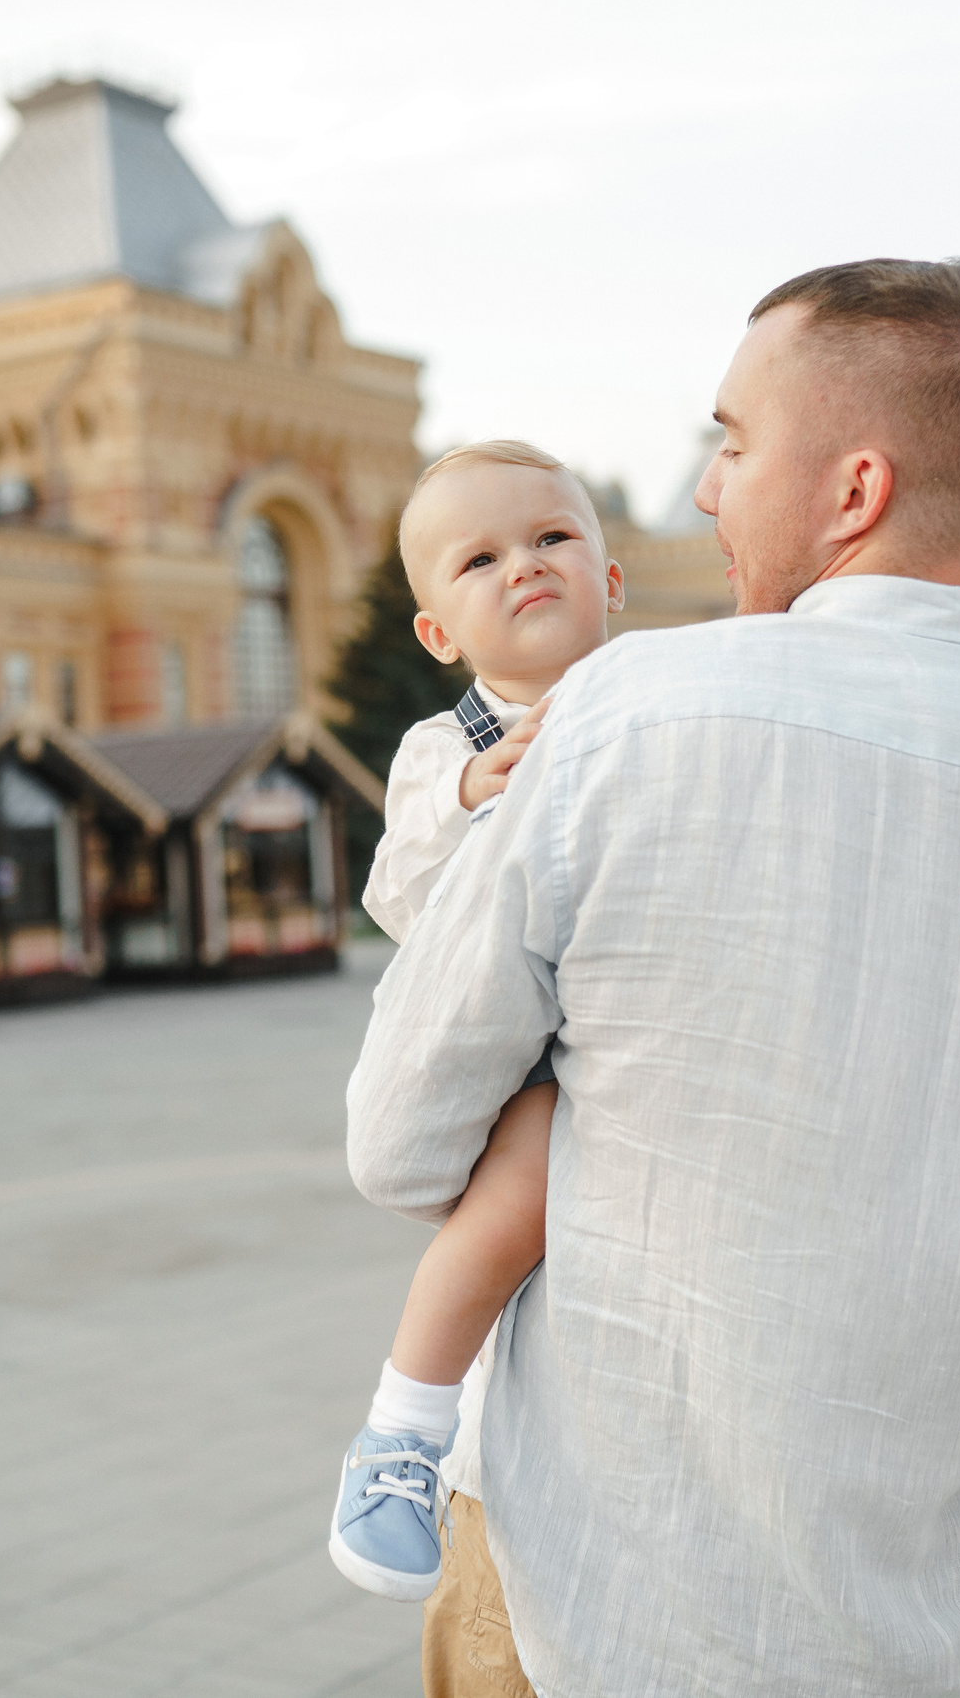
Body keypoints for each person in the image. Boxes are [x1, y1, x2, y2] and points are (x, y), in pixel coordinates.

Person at [347, 258, 960, 1697]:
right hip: (951, 1623)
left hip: (598, 1608)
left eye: (730, 444)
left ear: (853, 492)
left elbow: (399, 1139)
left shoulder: (626, 716)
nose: (710, 491)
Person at [327, 439, 625, 1642]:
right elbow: (394, 895)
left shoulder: (654, 697)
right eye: (482, 557)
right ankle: (403, 1425)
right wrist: (472, 798)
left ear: (613, 578)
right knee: (507, 1209)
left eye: (553, 538)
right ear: (439, 632)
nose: (525, 567)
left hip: (626, 1021)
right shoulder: (442, 748)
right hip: (517, 1056)